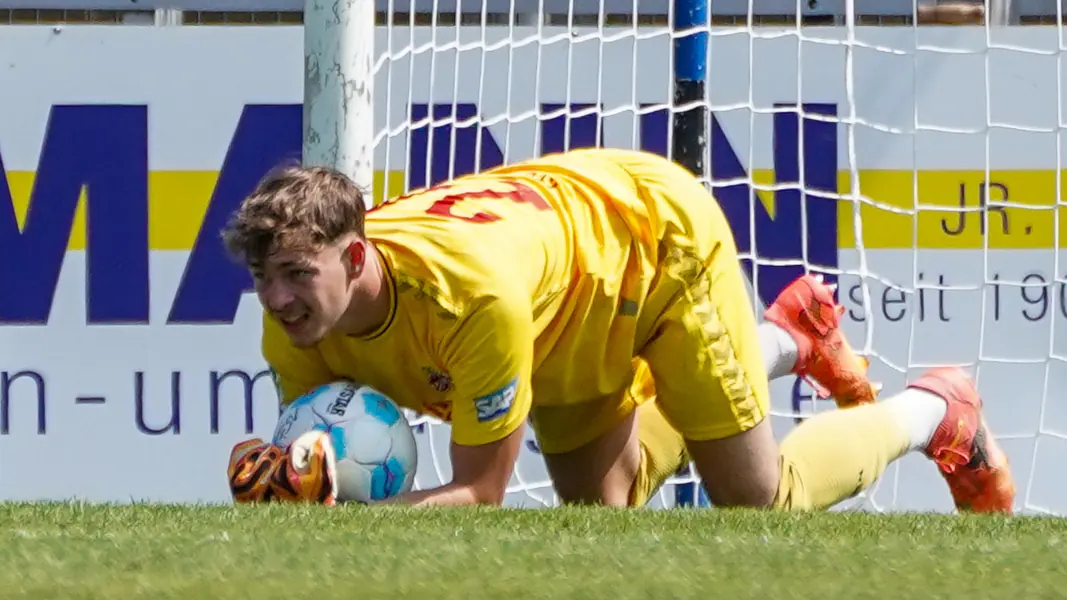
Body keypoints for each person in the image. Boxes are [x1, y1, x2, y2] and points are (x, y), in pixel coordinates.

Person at [223, 148, 1014, 513]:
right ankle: (785, 338)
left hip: (654, 249)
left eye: (297, 273)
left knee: (755, 501)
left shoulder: (469, 302)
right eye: (263, 278)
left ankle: (934, 409)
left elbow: (479, 492)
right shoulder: (290, 331)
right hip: (565, 300)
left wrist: (354, 524)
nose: (279, 298)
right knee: (603, 511)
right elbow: (314, 455)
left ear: (355, 256)